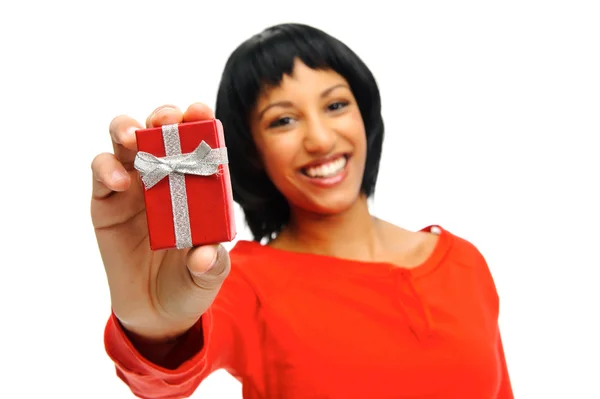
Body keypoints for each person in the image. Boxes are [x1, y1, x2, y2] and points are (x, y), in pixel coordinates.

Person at [91, 23, 513, 399]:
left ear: (365, 114)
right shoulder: (241, 283)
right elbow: (164, 377)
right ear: (252, 153)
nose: (320, 139)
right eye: (283, 121)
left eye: (335, 106)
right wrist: (153, 328)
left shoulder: (464, 262)